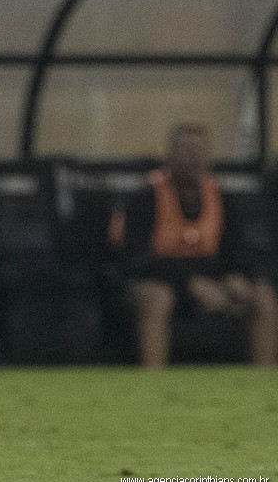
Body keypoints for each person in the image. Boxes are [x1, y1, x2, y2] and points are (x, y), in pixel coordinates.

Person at [110, 123, 278, 368]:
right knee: (158, 298)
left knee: (262, 296)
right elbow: (134, 259)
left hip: (212, 281)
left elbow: (237, 250)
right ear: (168, 157)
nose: (193, 159)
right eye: (186, 151)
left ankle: (264, 379)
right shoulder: (146, 198)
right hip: (159, 278)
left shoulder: (223, 198)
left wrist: (236, 277)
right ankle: (153, 380)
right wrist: (189, 284)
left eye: (199, 151)